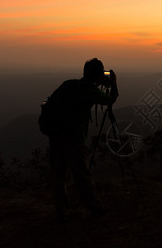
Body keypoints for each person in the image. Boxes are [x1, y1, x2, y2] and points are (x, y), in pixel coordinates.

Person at [46, 58, 118, 221]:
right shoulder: (89, 90)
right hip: (73, 138)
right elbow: (110, 100)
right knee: (81, 174)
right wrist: (113, 83)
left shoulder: (68, 84)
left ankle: (61, 211)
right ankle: (94, 207)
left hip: (55, 135)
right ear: (98, 75)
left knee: (58, 175)